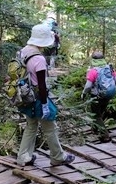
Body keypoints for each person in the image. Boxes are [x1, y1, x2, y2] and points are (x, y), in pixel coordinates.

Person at [16, 23, 74, 167]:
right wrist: (44, 104)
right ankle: (57, 157)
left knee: (31, 126)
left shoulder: (23, 51)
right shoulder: (39, 59)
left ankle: (23, 157)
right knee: (50, 127)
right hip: (37, 97)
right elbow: (41, 84)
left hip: (25, 95)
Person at [81, 51, 116, 140]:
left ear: (93, 60)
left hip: (96, 96)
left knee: (96, 115)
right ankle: (95, 129)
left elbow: (88, 86)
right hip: (108, 95)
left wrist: (83, 93)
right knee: (100, 112)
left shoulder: (93, 71)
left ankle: (104, 135)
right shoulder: (110, 68)